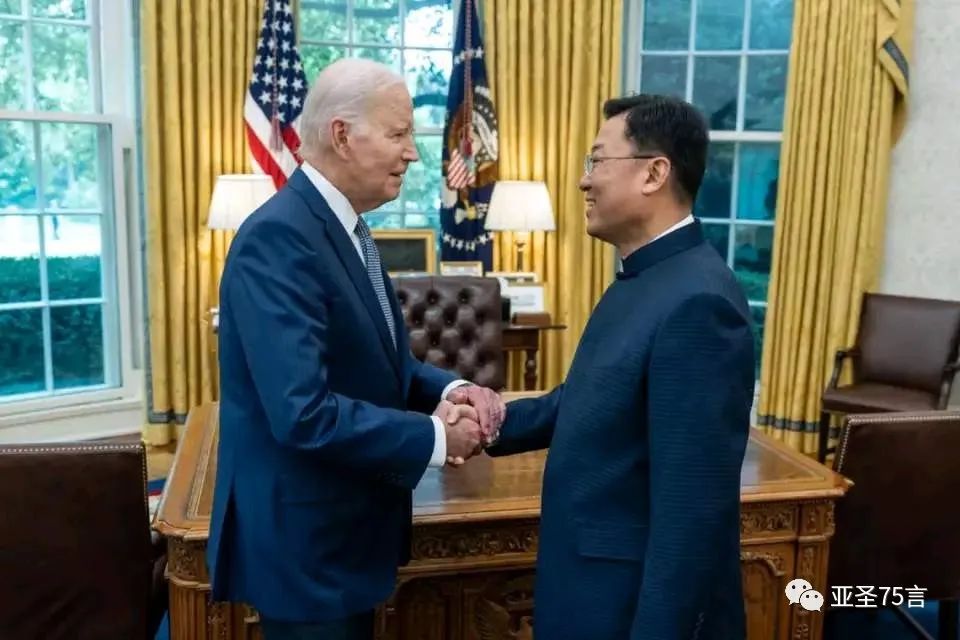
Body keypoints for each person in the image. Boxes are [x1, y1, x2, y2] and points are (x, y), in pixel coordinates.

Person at [207, 58, 503, 640]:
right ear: (342, 135)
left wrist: (455, 387)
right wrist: (438, 437)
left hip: (344, 536)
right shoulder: (279, 238)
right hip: (307, 550)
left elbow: (382, 364)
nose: (413, 154)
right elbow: (304, 413)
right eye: (398, 134)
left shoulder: (344, 227)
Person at [485, 94, 756, 639]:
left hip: (627, 608)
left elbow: (691, 515)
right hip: (588, 588)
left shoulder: (699, 303)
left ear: (654, 173)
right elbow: (589, 399)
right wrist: (493, 422)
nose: (584, 181)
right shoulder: (647, 276)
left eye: (597, 160)